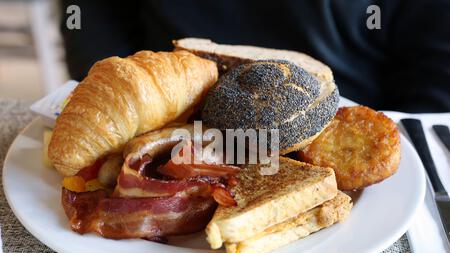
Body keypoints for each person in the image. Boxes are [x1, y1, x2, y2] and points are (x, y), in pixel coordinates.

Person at [60, 0, 450, 113]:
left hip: (354, 109)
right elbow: (94, 20)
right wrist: (125, 104)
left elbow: (436, 79)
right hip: (168, 107)